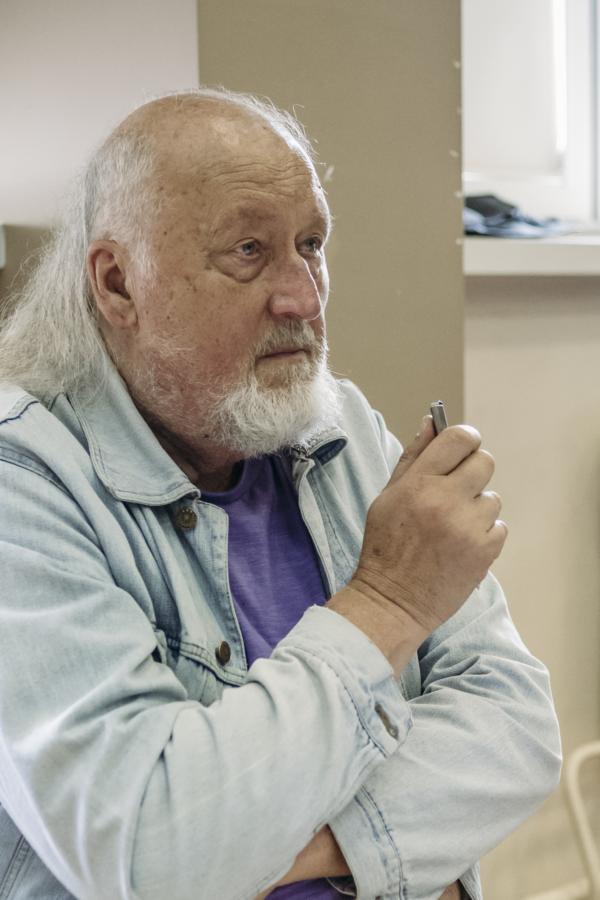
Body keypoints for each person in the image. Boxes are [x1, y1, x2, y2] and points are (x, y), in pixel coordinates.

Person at [0, 87, 560, 900]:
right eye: (248, 251)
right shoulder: (24, 485)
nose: (303, 295)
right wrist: (389, 602)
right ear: (118, 283)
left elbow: (517, 727)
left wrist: (304, 848)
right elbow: (151, 852)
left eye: (311, 244)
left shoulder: (340, 428)